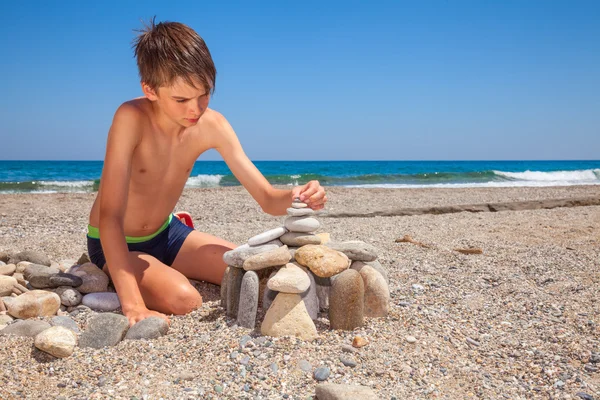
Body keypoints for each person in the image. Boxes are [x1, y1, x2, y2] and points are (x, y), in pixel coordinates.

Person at [86, 19, 327, 326]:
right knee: (185, 300)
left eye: (204, 95)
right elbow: (109, 217)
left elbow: (267, 199)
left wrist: (297, 196)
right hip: (113, 239)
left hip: (168, 234)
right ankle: (126, 274)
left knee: (256, 273)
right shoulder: (130, 118)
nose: (195, 109)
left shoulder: (212, 125)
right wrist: (133, 305)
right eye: (181, 99)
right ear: (150, 90)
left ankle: (163, 267)